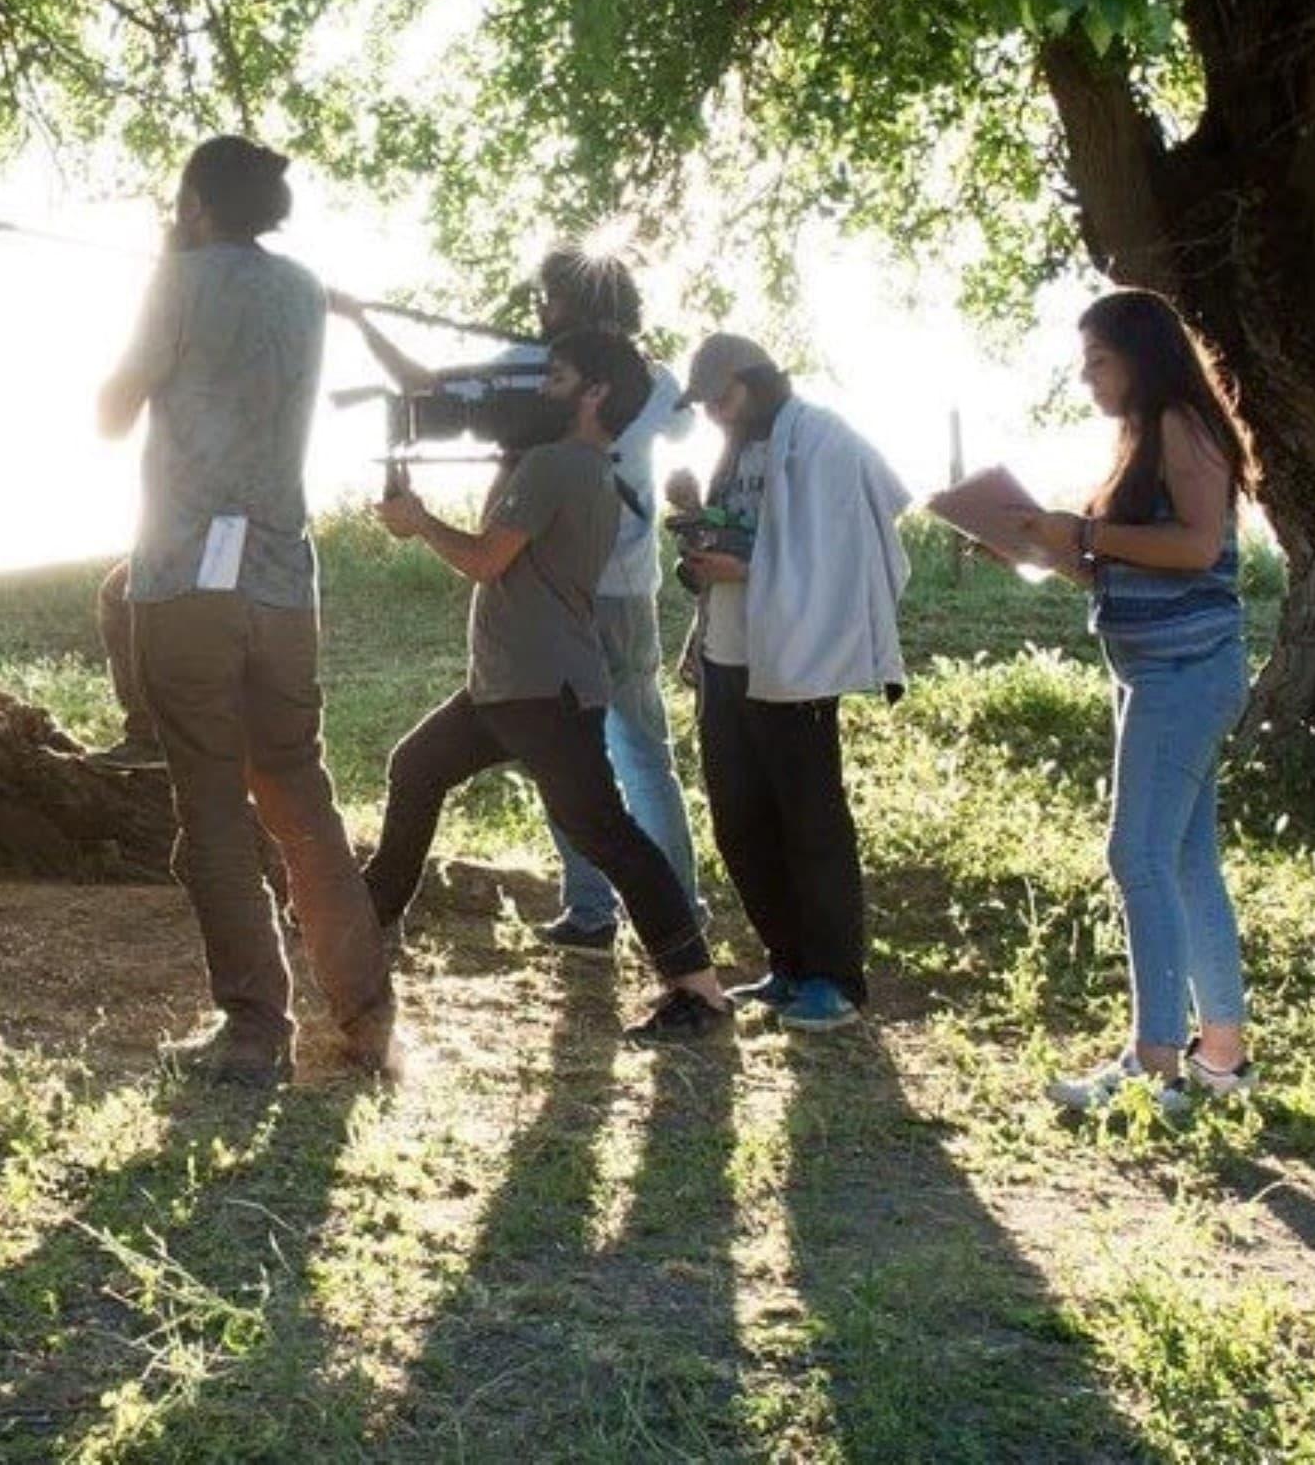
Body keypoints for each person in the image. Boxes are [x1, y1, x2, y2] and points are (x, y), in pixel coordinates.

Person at [100, 135, 398, 1085]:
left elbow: (110, 412)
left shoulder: (177, 282)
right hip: (282, 579)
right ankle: (365, 1010)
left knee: (214, 805)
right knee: (298, 787)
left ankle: (253, 1027)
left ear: (194, 204)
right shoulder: (305, 288)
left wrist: (164, 270)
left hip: (188, 573)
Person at [364, 328, 736, 1040]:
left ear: (595, 392)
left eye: (556, 376)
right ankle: (371, 913)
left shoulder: (553, 465)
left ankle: (699, 988)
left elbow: (483, 560)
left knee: (606, 831)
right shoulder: (584, 467)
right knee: (415, 765)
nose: (540, 386)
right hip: (509, 685)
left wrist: (416, 522)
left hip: (541, 689)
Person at [340, 247, 704, 955]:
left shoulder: (543, 371)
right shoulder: (642, 377)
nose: (546, 312)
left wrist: (358, 320)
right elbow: (424, 389)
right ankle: (620, 912)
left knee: (610, 759)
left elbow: (422, 387)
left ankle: (649, 918)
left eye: (554, 301)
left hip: (578, 594)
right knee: (593, 758)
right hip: (612, 589)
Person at [1011, 290, 1258, 1120]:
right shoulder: (1139, 440)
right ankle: (1219, 1055)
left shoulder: (1182, 423)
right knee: (1184, 859)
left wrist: (1083, 535)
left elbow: (1194, 546)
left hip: (1185, 673)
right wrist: (1043, 546)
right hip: (1156, 670)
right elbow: (1122, 561)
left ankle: (1155, 1062)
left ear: (1141, 356)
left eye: (1098, 361)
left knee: (1137, 855)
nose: (1086, 379)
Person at [672, 332, 911, 1034]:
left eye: (723, 396)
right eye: (707, 402)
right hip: (728, 651)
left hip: (798, 657)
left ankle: (835, 977)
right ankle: (786, 960)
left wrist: (749, 566)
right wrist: (697, 531)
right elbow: (745, 537)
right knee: (739, 818)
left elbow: (853, 536)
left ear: (756, 380)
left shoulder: (821, 438)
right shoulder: (738, 449)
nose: (715, 411)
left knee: (810, 820)